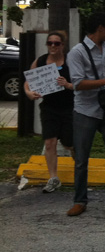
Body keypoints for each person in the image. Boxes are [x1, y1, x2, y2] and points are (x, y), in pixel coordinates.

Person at [66, 13, 105, 217]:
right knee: (81, 159)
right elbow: (77, 84)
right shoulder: (77, 53)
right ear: (99, 29)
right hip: (85, 110)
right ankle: (80, 200)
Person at [23, 30, 75, 193]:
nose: (53, 46)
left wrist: (67, 84)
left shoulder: (70, 62)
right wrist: (29, 93)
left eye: (56, 43)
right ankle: (53, 178)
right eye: (50, 43)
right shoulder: (40, 61)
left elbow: (81, 84)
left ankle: (77, 159)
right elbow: (28, 82)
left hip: (69, 108)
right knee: (49, 142)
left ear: (62, 45)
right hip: (49, 108)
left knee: (68, 143)